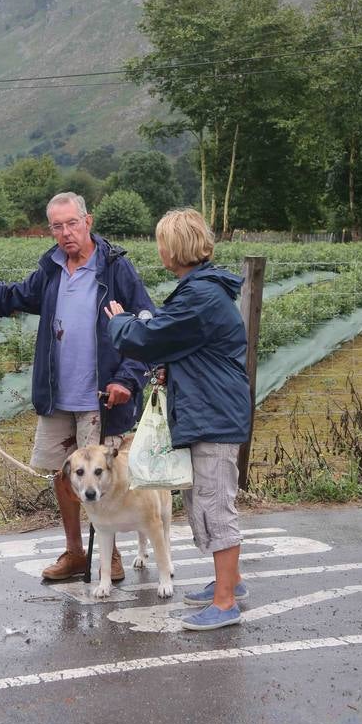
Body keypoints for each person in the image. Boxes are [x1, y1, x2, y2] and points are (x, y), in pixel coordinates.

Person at [0, 191, 154, 581]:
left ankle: (110, 557)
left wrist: (127, 378)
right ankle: (75, 552)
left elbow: (145, 324)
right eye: (57, 226)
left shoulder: (114, 269)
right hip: (58, 396)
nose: (65, 233)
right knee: (64, 475)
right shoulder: (53, 270)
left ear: (87, 222)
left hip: (102, 398)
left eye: (72, 223)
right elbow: (11, 299)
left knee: (103, 476)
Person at [105, 208, 251, 630]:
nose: (159, 250)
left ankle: (225, 603)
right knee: (202, 500)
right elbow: (186, 345)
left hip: (214, 415)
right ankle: (231, 581)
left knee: (215, 505)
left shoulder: (199, 296)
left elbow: (147, 338)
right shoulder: (201, 291)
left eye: (162, 242)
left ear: (174, 248)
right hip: (208, 409)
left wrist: (119, 323)